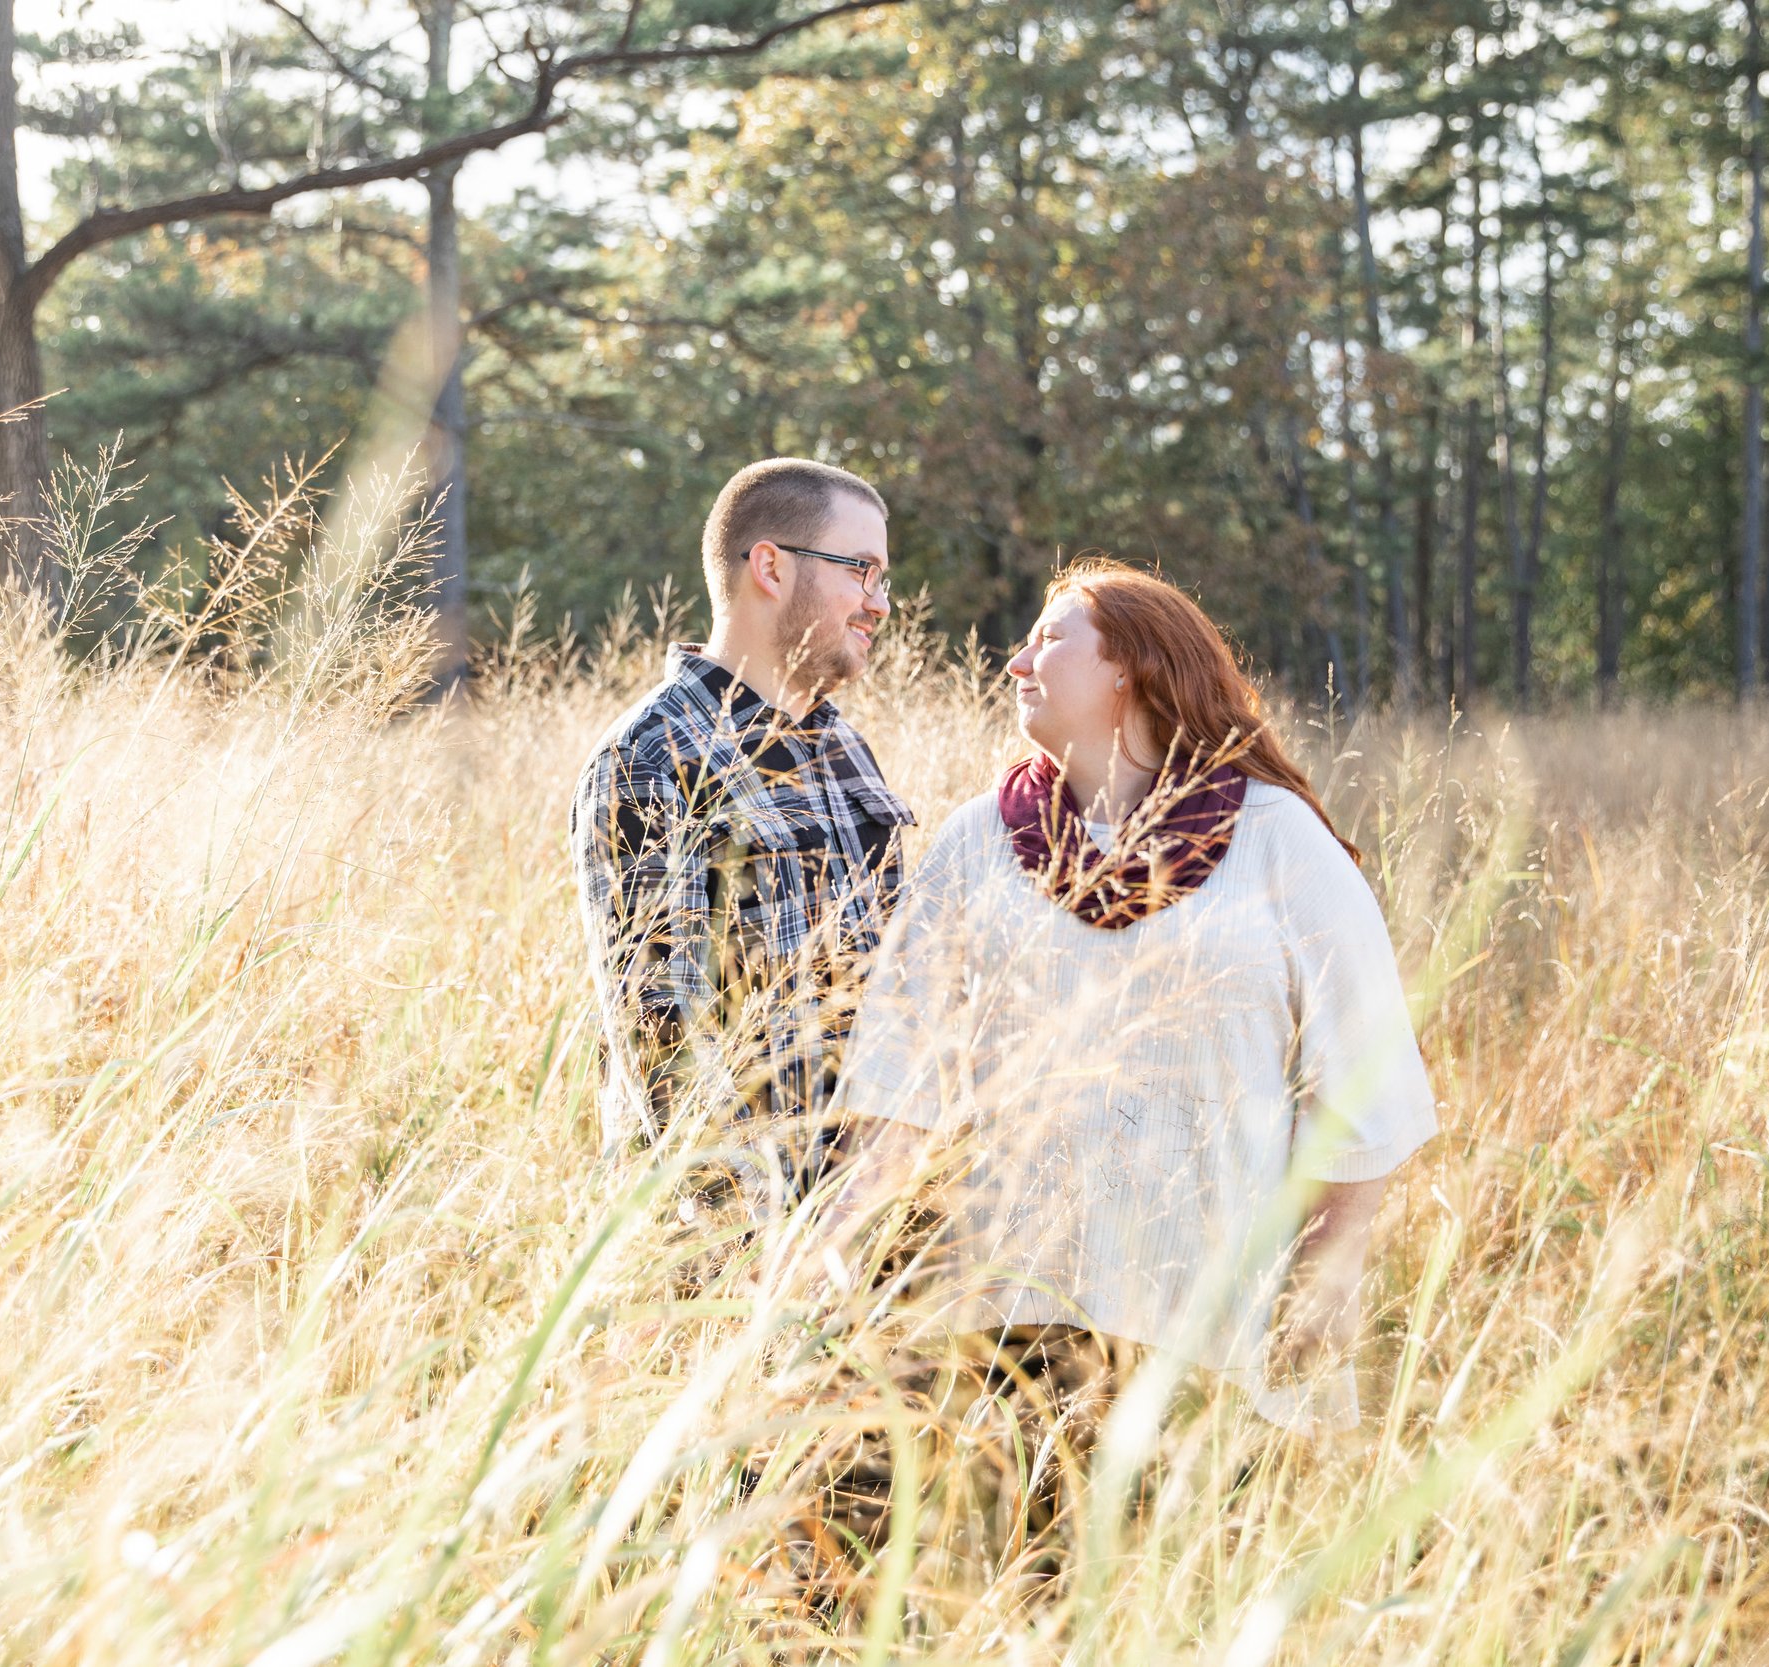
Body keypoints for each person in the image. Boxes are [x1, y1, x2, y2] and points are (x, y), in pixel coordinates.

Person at [826, 558, 1436, 1476]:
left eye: (1048, 636)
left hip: (1212, 1326)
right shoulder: (975, 844)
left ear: (1131, 668)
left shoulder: (1279, 840)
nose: (1015, 660)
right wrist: (832, 1258)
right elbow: (896, 1074)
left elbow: (1365, 1089)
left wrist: (1322, 1285)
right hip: (1006, 1324)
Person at [569, 457, 915, 1196]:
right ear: (770, 566)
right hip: (733, 1262)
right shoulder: (653, 757)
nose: (880, 602)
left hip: (869, 1229)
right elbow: (663, 1050)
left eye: (881, 578)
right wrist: (772, 1263)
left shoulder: (843, 747)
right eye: (861, 570)